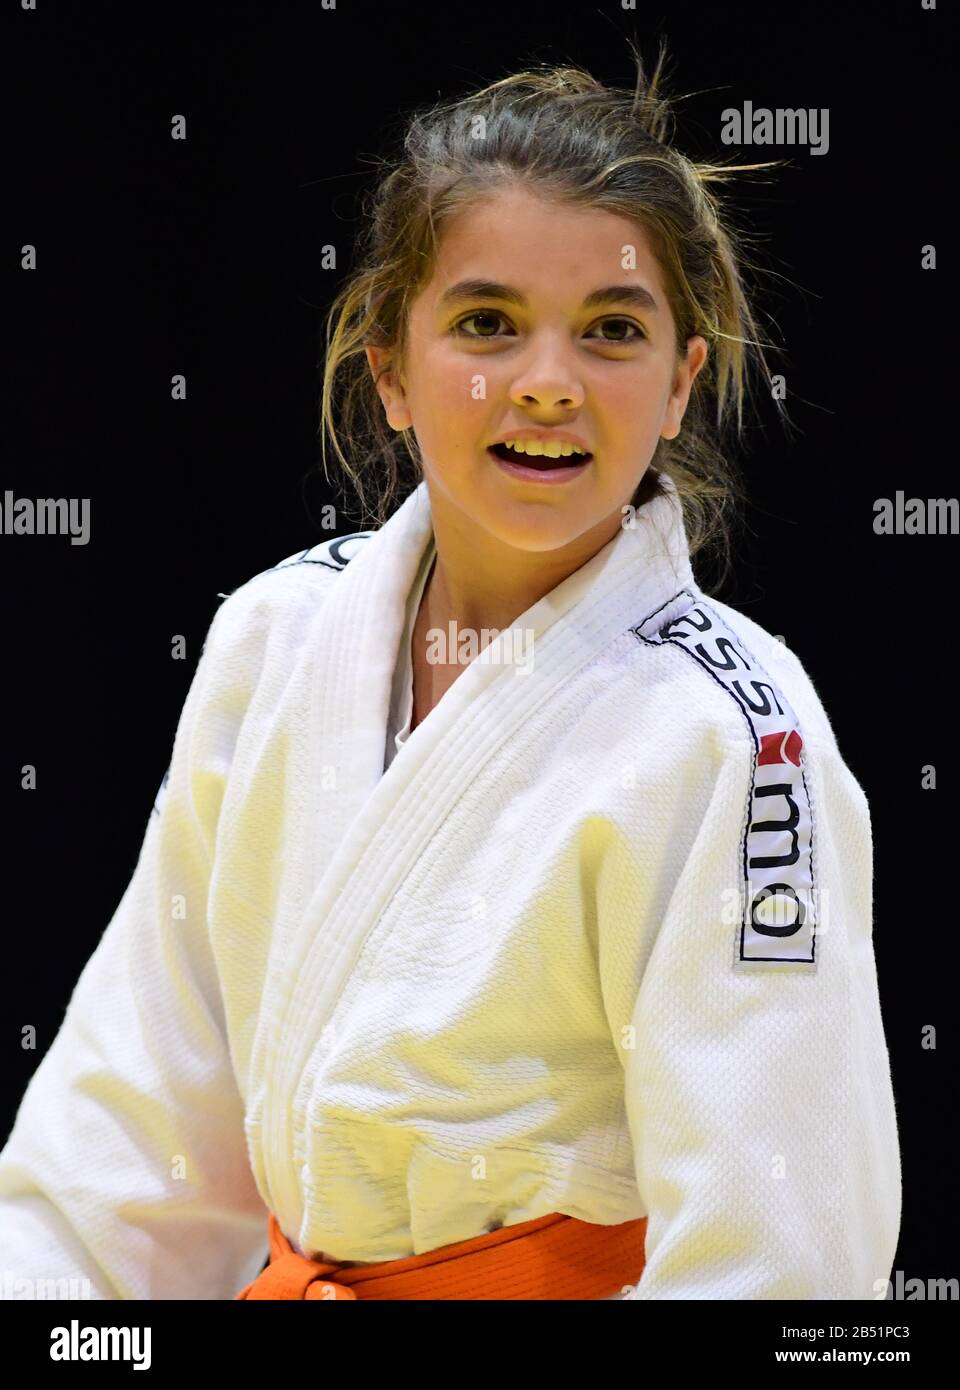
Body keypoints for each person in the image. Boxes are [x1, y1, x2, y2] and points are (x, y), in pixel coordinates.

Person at [0, 47, 901, 1300]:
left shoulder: (735, 735)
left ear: (683, 382)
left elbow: (785, 1254)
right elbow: (133, 1117)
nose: (546, 382)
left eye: (612, 331)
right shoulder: (278, 636)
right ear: (388, 366)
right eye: (486, 323)